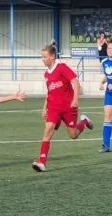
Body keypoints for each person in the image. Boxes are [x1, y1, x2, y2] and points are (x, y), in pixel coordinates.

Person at [32, 40, 93, 172]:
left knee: (73, 134)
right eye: (42, 57)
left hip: (68, 107)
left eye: (45, 57)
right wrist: (44, 108)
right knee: (48, 130)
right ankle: (41, 162)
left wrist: (75, 100)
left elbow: (76, 83)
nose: (43, 59)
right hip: (54, 108)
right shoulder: (46, 74)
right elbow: (49, 92)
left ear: (52, 56)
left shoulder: (62, 67)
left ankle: (84, 121)